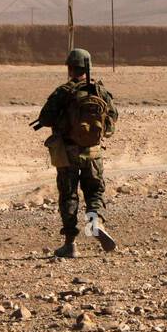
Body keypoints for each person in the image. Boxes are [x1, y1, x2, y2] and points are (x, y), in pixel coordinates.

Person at [33, 48, 118, 257]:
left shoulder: (63, 92)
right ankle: (95, 222)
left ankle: (70, 244)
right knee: (94, 191)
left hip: (67, 153)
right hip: (93, 154)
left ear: (70, 68)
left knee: (69, 196)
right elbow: (112, 119)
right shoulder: (100, 91)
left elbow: (45, 118)